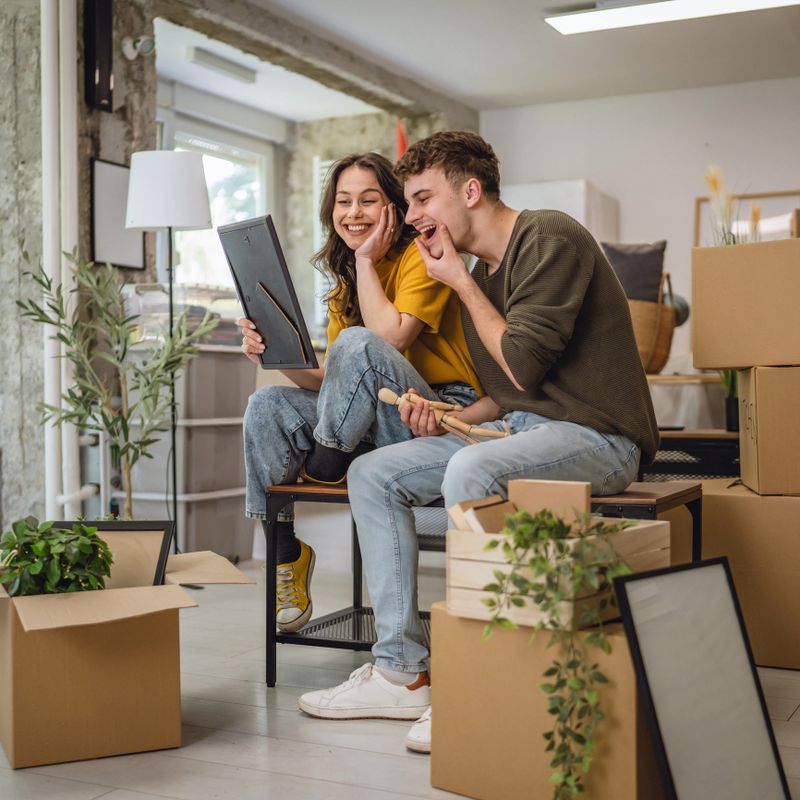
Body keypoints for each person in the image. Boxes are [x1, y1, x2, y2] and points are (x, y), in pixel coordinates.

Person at [297, 132, 659, 754]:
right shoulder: (477, 274)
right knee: (372, 474)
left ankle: (481, 680)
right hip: (519, 429)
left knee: (472, 471)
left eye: (421, 198)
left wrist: (460, 284)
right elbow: (503, 393)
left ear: (470, 191)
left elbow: (523, 363)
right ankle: (400, 673)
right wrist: (444, 418)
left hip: (600, 437)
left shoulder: (549, 237)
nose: (411, 215)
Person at [239, 152, 481, 634]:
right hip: (370, 417)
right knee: (265, 404)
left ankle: (328, 464)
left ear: (394, 208)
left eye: (368, 200)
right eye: (343, 201)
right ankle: (286, 552)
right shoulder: (343, 283)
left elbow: (387, 341)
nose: (354, 213)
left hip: (436, 410)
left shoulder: (423, 256)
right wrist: (275, 356)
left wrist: (366, 260)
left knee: (358, 342)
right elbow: (338, 379)